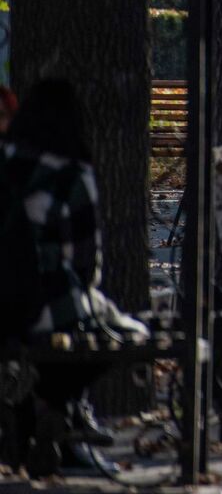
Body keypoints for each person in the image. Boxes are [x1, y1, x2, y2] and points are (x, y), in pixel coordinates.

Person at [0, 79, 150, 450]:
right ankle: (50, 405)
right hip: (45, 300)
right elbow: (86, 266)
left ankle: (30, 414)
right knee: (130, 335)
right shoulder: (71, 173)